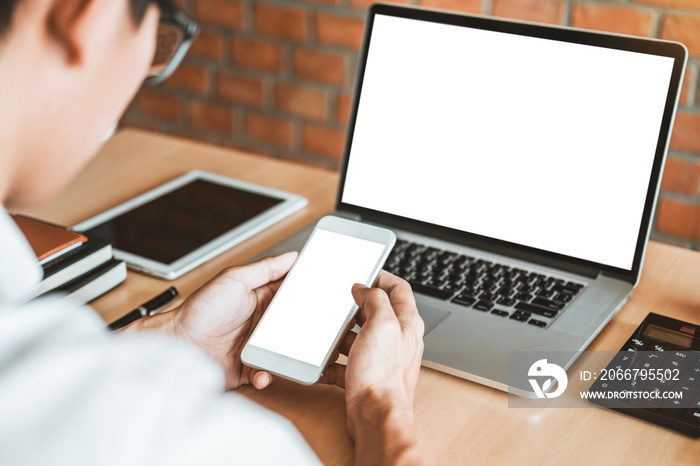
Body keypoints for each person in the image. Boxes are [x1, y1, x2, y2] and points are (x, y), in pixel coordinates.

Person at [0, 0, 425, 464]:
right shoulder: (161, 437)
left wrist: (176, 339)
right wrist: (380, 405)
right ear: (89, 15)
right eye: (162, 30)